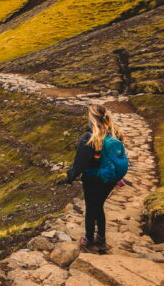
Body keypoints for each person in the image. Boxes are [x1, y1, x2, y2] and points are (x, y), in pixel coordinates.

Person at [66, 104, 124, 252]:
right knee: (99, 206)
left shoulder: (89, 137)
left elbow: (81, 163)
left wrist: (71, 176)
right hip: (110, 178)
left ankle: (89, 241)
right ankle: (102, 239)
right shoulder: (114, 133)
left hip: (93, 178)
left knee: (91, 208)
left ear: (91, 117)